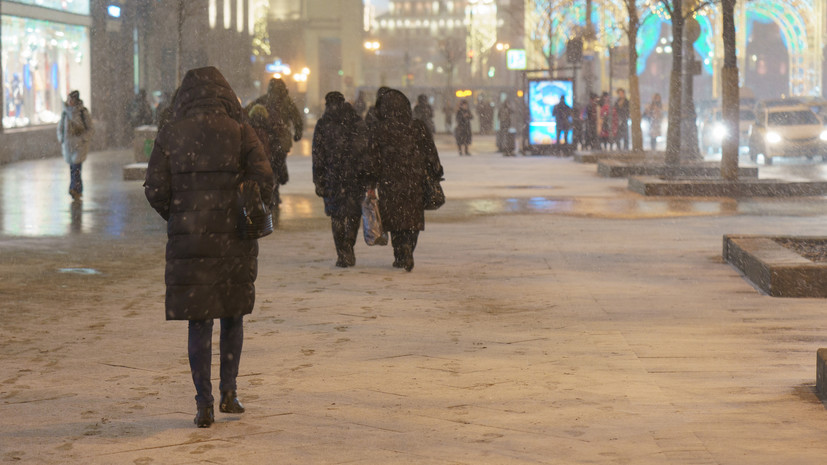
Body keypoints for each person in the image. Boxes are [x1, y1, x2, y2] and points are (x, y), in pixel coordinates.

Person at [144, 66, 275, 428]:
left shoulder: (171, 133)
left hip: (192, 241)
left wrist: (180, 214)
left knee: (199, 321)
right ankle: (229, 392)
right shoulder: (239, 131)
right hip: (233, 238)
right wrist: (243, 198)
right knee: (232, 315)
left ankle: (203, 403)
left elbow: (154, 186)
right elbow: (265, 175)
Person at [366, 89, 443, 271]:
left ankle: (400, 252)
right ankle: (409, 248)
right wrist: (435, 172)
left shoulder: (380, 130)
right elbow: (430, 152)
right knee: (412, 217)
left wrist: (371, 182)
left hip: (389, 182)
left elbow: (373, 159)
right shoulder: (417, 127)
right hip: (414, 180)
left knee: (395, 218)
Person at [312, 92, 370, 268]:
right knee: (353, 214)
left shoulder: (323, 124)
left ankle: (342, 252)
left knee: (337, 216)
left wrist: (319, 180)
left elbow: (318, 155)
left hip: (333, 176)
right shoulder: (355, 121)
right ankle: (349, 245)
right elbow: (365, 149)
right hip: (355, 176)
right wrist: (365, 173)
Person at [247, 78, 303, 206]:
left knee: (269, 166)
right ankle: (275, 189)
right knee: (278, 165)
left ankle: (270, 190)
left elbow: (248, 111)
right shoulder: (288, 102)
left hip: (266, 139)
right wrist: (297, 133)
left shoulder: (264, 99)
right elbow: (297, 119)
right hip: (281, 141)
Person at [57, 90, 93, 201]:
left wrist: (82, 139)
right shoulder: (65, 113)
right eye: (68, 99)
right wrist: (61, 139)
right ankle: (78, 190)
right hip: (68, 146)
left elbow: (90, 129)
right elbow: (60, 128)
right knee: (73, 168)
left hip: (79, 146)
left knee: (76, 168)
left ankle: (73, 188)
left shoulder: (83, 113)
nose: (69, 101)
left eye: (71, 99)